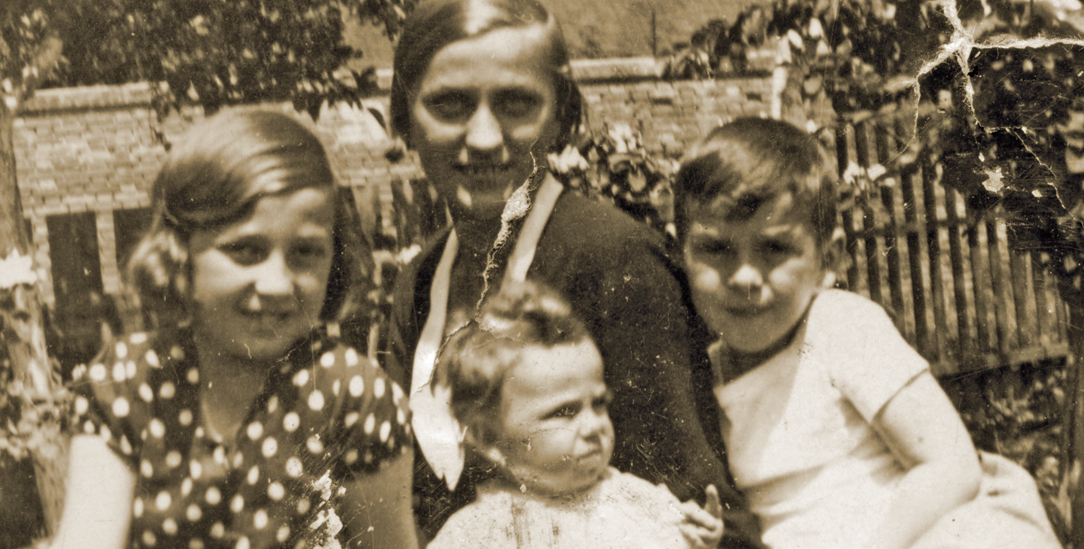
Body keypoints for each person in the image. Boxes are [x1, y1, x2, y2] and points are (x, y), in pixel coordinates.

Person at [380, 0, 762, 545]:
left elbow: (694, 507)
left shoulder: (615, 261)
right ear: (402, 117)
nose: (484, 137)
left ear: (560, 116)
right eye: (449, 105)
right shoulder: (419, 281)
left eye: (516, 104)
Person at [674, 116, 1061, 549]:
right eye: (717, 249)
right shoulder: (701, 375)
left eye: (775, 248)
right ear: (681, 253)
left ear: (830, 258)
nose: (744, 275)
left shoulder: (838, 325)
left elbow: (951, 463)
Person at [55, 110, 418, 549]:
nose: (277, 284)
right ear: (180, 251)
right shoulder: (130, 382)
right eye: (245, 250)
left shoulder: (353, 395)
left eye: (305, 252)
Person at [429, 280, 724, 548]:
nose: (594, 426)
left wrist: (695, 539)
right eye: (564, 412)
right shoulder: (479, 534)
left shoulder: (636, 498)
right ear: (488, 435)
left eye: (598, 404)